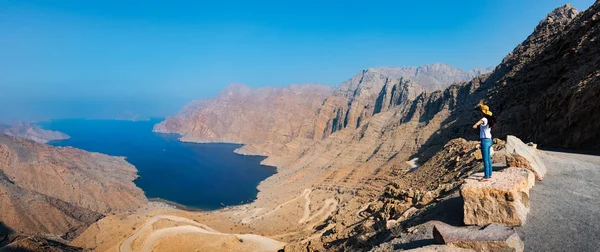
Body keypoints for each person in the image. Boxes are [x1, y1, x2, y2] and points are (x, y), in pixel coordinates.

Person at [472, 102, 497, 181]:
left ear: (483, 112)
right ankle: (489, 174)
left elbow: (480, 121)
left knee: (485, 159)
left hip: (485, 141)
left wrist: (476, 125)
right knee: (488, 158)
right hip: (489, 140)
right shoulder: (489, 119)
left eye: (481, 111)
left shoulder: (484, 119)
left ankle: (486, 176)